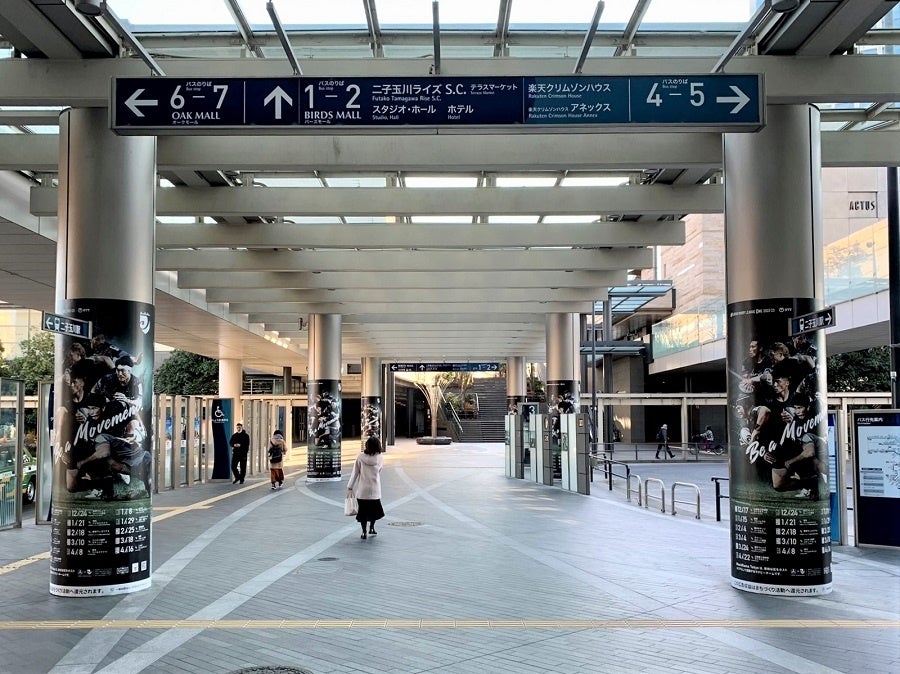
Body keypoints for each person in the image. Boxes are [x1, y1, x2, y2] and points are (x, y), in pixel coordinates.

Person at [347, 435, 385, 540]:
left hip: (362, 490)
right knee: (374, 511)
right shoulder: (380, 457)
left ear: (367, 445)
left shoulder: (360, 457)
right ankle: (372, 528)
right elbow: (380, 470)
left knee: (363, 512)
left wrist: (350, 486)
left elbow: (355, 473)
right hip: (375, 489)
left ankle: (364, 532)